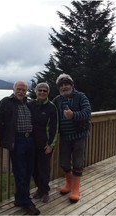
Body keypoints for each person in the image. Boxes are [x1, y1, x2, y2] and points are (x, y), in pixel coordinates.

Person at [0, 80, 40, 215]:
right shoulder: (6, 102)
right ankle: (27, 202)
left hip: (30, 140)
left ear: (26, 91)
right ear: (14, 89)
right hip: (17, 141)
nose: (21, 91)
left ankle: (19, 198)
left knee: (28, 171)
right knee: (20, 172)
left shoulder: (29, 103)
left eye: (24, 89)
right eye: (19, 89)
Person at [52, 73, 91, 203]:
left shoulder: (81, 96)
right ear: (58, 87)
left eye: (66, 84)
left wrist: (73, 114)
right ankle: (68, 184)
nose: (64, 87)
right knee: (64, 162)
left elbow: (87, 112)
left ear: (71, 85)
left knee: (78, 163)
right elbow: (50, 115)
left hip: (79, 135)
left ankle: (75, 189)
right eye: (61, 85)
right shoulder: (56, 100)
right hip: (64, 136)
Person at [28, 82, 59, 203]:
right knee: (34, 169)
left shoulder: (51, 107)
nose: (41, 92)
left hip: (45, 144)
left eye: (44, 91)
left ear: (48, 93)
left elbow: (55, 128)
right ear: (36, 92)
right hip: (31, 143)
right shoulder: (30, 105)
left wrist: (51, 145)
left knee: (44, 169)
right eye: (39, 90)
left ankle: (45, 191)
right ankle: (39, 189)